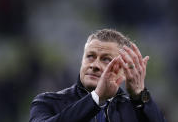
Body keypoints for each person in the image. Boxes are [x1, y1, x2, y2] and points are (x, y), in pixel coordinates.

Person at [29, 29, 166, 122]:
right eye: (90, 56)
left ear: (123, 71)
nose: (95, 65)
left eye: (106, 59)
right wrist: (97, 98)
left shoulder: (135, 110)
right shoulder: (48, 102)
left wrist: (140, 95)